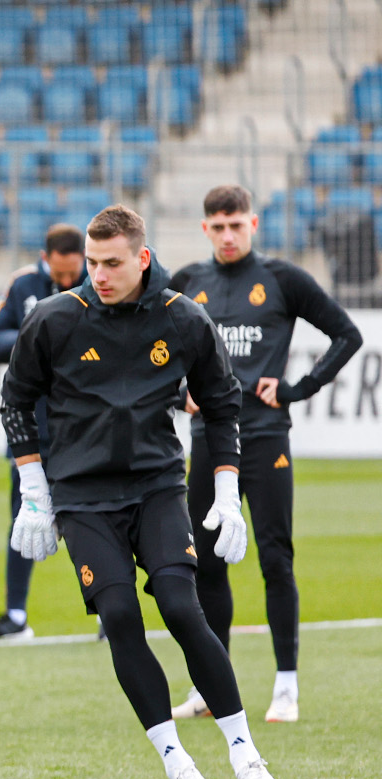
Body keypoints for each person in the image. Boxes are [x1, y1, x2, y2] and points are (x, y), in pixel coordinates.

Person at [0, 204, 281, 779]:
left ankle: (244, 754)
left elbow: (223, 401)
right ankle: (178, 763)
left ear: (142, 258)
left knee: (183, 606)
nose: (97, 274)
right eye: (91, 263)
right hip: (82, 498)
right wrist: (33, 493)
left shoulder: (185, 320)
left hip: (157, 486)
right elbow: (16, 400)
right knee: (121, 618)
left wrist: (229, 493)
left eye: (111, 263)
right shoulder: (53, 320)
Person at [169, 185, 363, 724]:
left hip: (265, 436)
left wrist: (298, 388)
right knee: (205, 563)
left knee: (275, 559)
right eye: (218, 226)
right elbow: (146, 347)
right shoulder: (187, 284)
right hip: (208, 439)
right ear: (205, 229)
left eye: (237, 225)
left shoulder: (282, 279)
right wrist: (173, 392)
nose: (228, 235)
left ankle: (286, 686)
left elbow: (347, 335)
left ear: (253, 224)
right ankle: (213, 686)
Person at [0, 224, 86, 641]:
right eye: (59, 273)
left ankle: (108, 614)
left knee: (92, 523)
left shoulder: (96, 284)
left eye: (71, 272)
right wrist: (38, 334)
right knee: (23, 519)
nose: (65, 280)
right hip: (31, 429)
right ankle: (16, 615)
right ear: (46, 257)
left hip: (84, 428)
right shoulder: (23, 284)